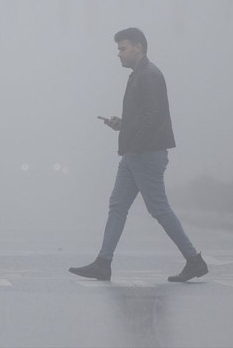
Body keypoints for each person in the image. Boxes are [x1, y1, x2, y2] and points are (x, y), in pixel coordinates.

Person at [69, 27, 208, 282]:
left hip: (145, 155)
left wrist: (135, 146)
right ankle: (103, 263)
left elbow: (153, 117)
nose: (119, 54)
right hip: (135, 154)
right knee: (118, 206)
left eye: (122, 48)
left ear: (138, 47)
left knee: (158, 208)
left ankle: (194, 260)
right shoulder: (138, 75)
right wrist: (122, 124)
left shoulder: (149, 75)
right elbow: (144, 117)